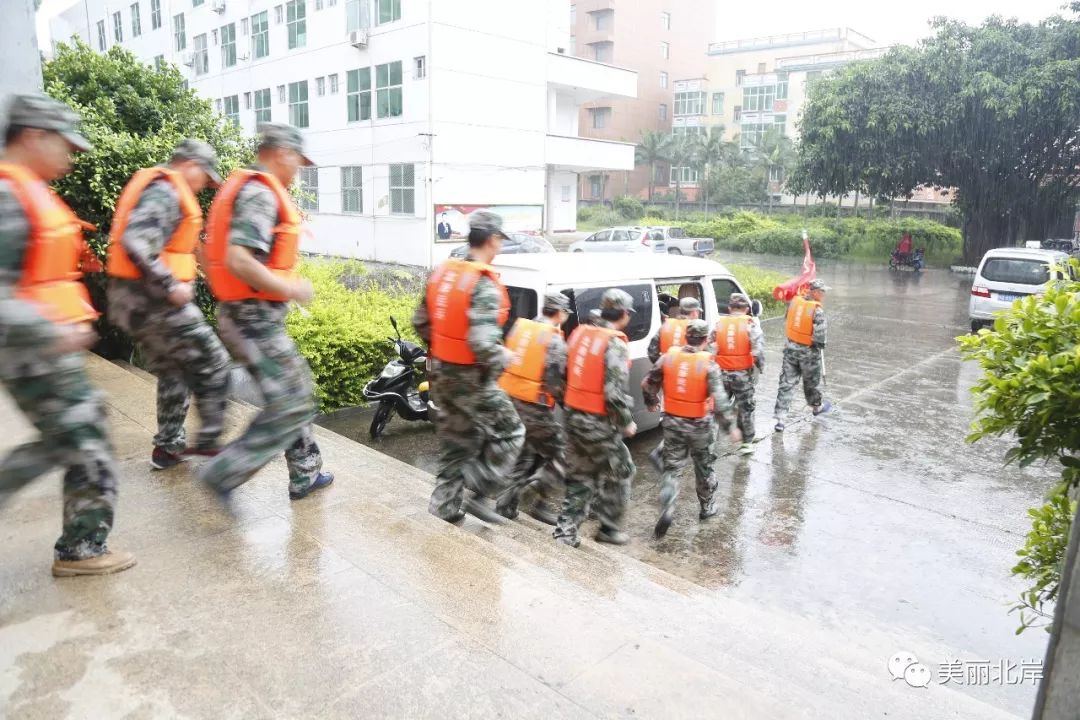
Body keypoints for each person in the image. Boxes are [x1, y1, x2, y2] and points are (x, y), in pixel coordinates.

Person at [0, 94, 135, 576]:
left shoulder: (27, 190)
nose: (72, 156)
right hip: (30, 349)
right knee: (79, 437)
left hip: (41, 346)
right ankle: (82, 550)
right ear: (34, 135)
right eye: (67, 145)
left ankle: (82, 546)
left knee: (78, 433)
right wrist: (52, 330)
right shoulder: (9, 196)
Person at [196, 123, 333, 499]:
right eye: (297, 161)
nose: (298, 170)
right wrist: (291, 288)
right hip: (252, 317)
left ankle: (305, 471)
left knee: (291, 390)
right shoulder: (260, 194)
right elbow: (239, 260)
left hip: (250, 314)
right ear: (280, 153)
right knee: (294, 399)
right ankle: (224, 473)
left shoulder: (257, 190)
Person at [105, 139, 232, 470]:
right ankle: (208, 443)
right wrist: (170, 283)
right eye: (205, 175)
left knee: (175, 371)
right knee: (215, 360)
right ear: (189, 164)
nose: (205, 183)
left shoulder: (167, 190)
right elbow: (137, 242)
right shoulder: (166, 191)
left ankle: (168, 448)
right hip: (152, 299)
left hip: (136, 299)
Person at [412, 210, 525, 524]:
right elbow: (482, 343)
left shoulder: (442, 273)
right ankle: (480, 488)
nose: (501, 246)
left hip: (440, 374)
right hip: (471, 378)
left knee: (456, 442)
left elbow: (420, 322)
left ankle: (444, 507)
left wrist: (445, 348)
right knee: (512, 432)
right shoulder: (483, 284)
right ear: (491, 239)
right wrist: (505, 356)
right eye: (500, 239)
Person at [553, 288, 637, 548]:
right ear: (623, 314)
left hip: (573, 416)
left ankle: (565, 532)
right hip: (598, 422)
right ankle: (610, 528)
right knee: (622, 470)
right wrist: (626, 422)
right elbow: (613, 393)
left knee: (582, 474)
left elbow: (559, 372)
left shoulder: (579, 333)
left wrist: (567, 405)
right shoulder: (614, 344)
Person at [642, 319, 739, 538]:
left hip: (673, 422)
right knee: (704, 468)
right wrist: (730, 427)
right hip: (700, 425)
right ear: (705, 340)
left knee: (672, 468)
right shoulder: (709, 365)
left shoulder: (667, 358)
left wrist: (650, 401)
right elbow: (721, 399)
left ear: (686, 337)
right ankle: (707, 507)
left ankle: (668, 508)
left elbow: (648, 383)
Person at [494, 292, 571, 524]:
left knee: (526, 456)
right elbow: (554, 382)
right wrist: (567, 405)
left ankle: (506, 505)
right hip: (533, 408)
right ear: (559, 313)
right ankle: (539, 498)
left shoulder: (521, 328)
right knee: (561, 455)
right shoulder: (554, 340)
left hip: (509, 401)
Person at [646, 295, 704, 471]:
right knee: (690, 419)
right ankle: (665, 451)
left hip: (668, 378)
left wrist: (662, 367)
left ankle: (666, 450)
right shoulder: (696, 330)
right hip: (690, 380)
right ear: (694, 312)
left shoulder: (666, 326)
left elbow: (652, 350)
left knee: (672, 415)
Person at [773, 278, 831, 432]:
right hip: (808, 353)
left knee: (786, 383)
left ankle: (780, 419)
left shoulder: (794, 302)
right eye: (823, 292)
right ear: (816, 292)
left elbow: (787, 319)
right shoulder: (817, 310)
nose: (824, 295)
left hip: (790, 349)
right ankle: (816, 407)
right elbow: (820, 336)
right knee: (811, 382)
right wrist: (820, 345)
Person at [714, 292, 765, 455]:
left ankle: (710, 444)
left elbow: (708, 346)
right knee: (746, 407)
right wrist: (760, 367)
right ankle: (746, 442)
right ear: (746, 309)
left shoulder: (719, 324)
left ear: (729, 308)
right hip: (742, 375)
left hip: (721, 373)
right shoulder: (750, 324)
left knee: (718, 407)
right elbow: (757, 352)